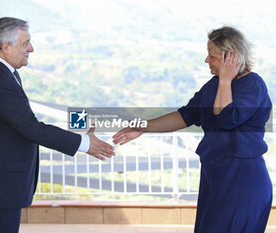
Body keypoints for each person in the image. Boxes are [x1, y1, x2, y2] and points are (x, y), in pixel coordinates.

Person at [0, 17, 114, 233]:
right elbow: (32, 128)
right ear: (6, 47)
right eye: (25, 43)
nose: (31, 48)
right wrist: (85, 143)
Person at [113, 26, 272, 233]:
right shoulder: (213, 85)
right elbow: (186, 115)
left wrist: (225, 80)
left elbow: (226, 118)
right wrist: (144, 127)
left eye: (212, 56)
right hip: (215, 177)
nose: (207, 60)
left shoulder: (253, 85)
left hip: (242, 181)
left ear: (230, 58)